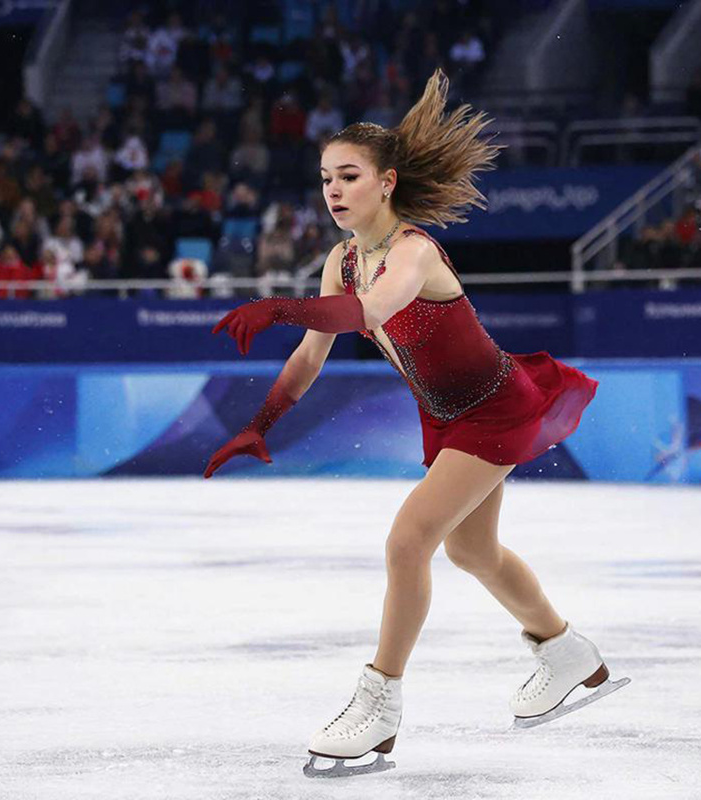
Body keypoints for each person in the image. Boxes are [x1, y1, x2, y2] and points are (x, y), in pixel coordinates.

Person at [205, 70, 627, 779]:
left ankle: (380, 705)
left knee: (409, 540)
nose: (333, 189)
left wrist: (276, 307)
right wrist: (262, 422)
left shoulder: (414, 251)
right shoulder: (339, 262)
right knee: (473, 553)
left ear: (387, 181)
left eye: (349, 175)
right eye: (325, 178)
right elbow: (311, 359)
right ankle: (567, 654)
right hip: (447, 414)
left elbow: (370, 314)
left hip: (494, 404)